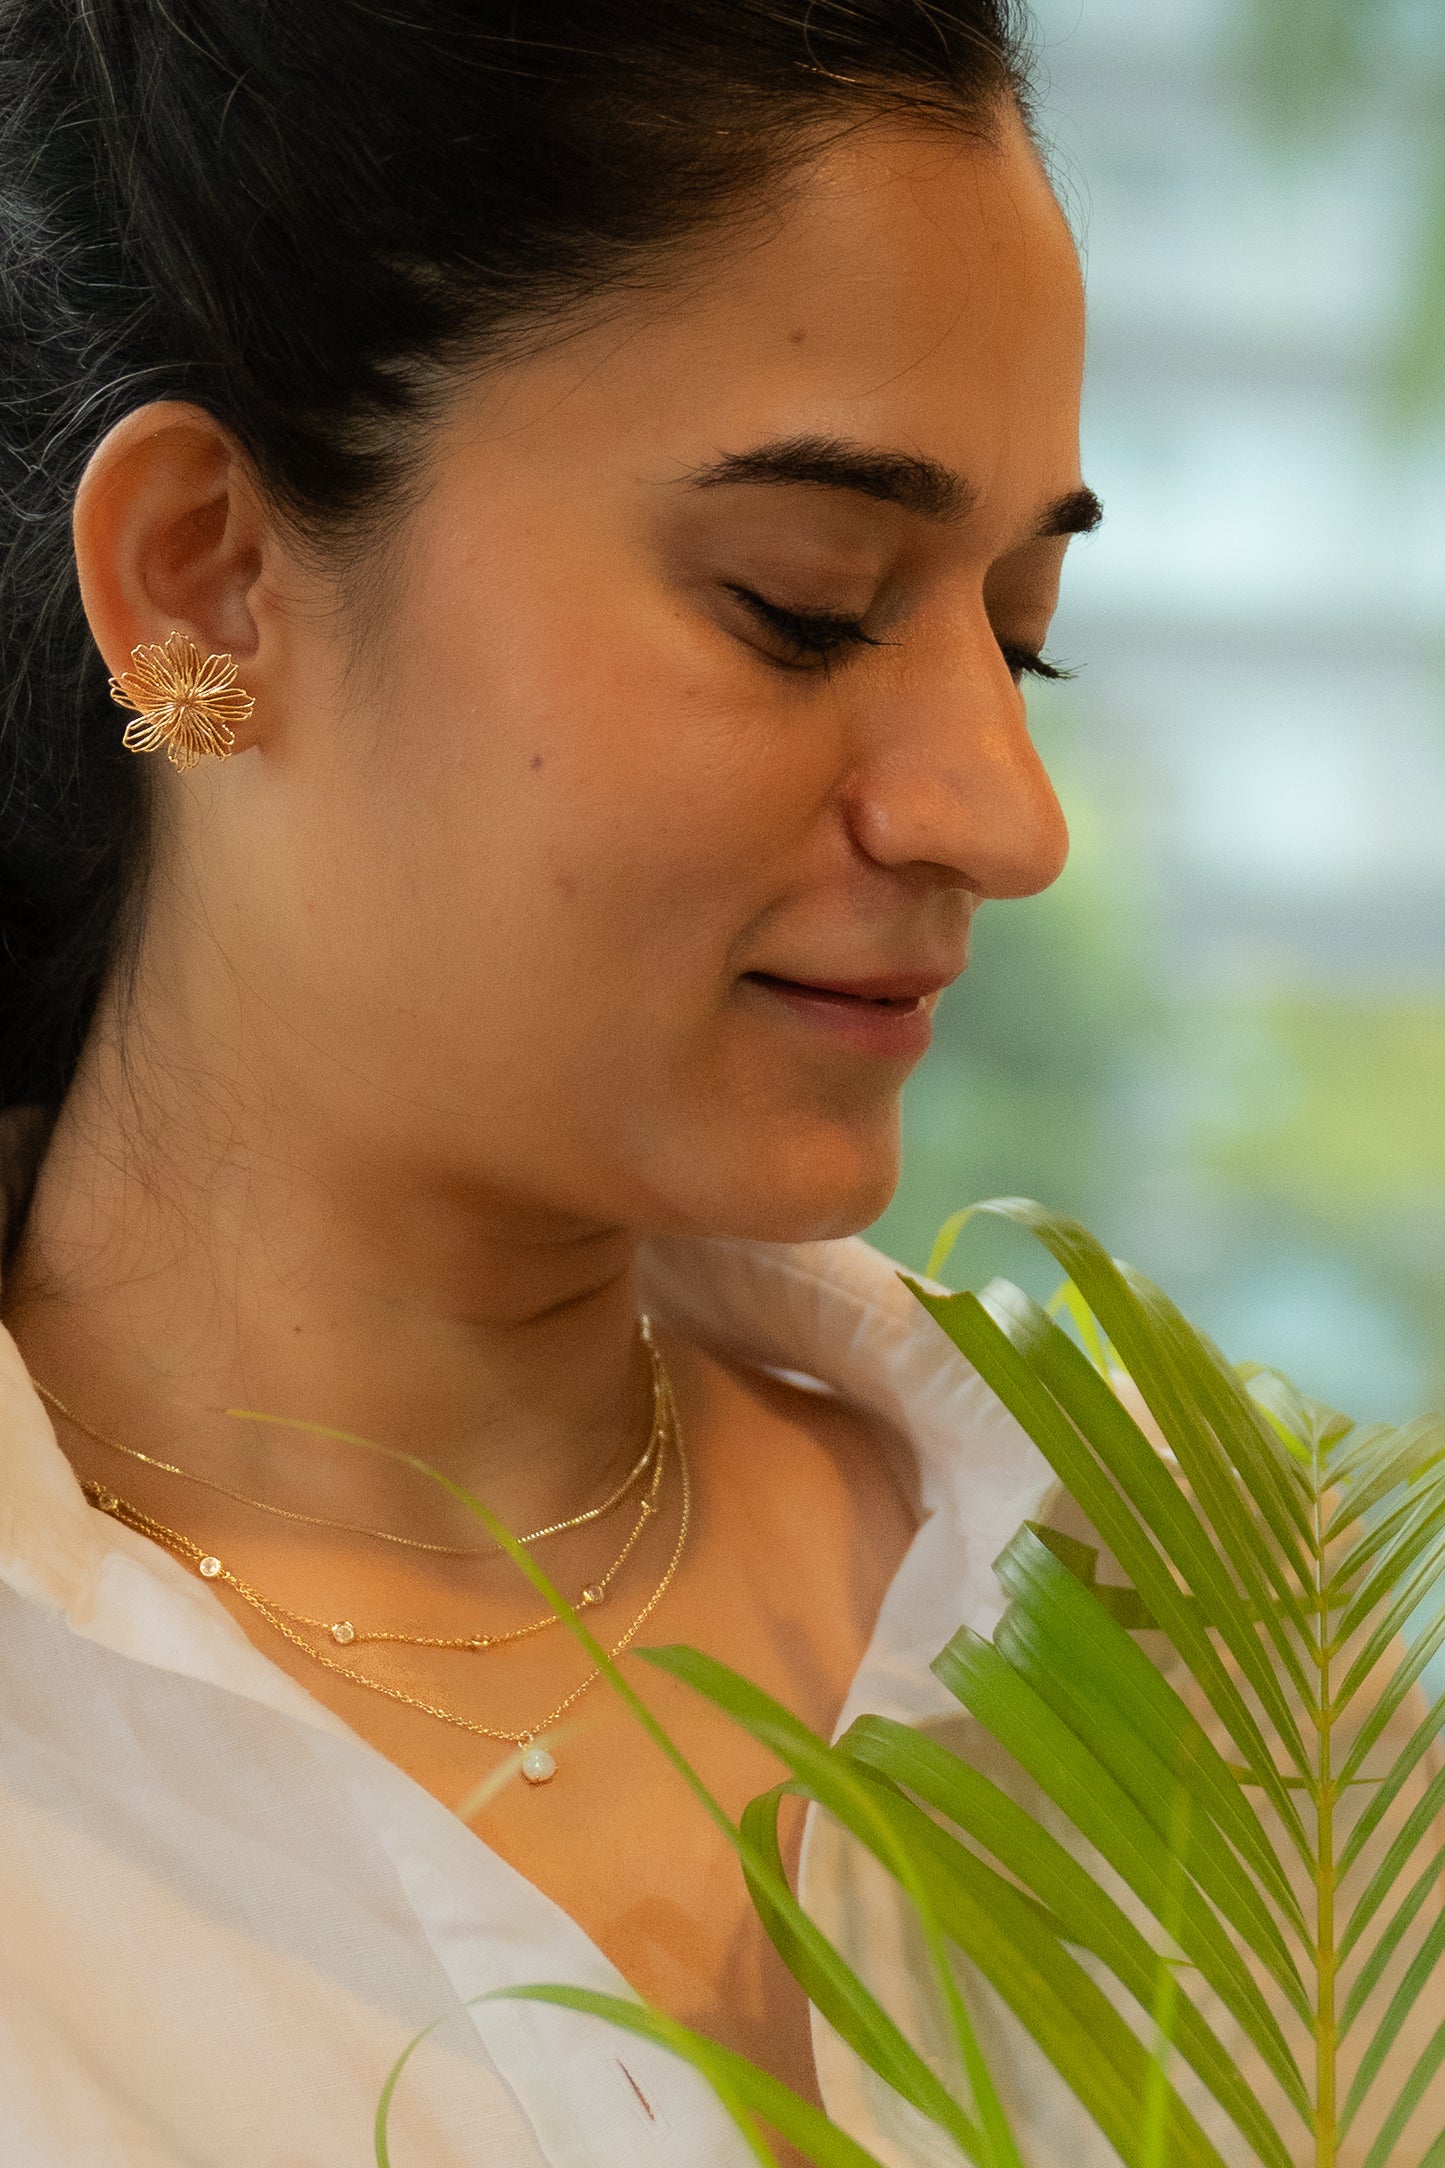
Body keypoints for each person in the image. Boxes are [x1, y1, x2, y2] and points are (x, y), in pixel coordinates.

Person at [0, 3, 1097, 2161]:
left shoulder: (1159, 1618)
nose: (1007, 810)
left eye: (1024, 626)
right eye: (808, 603)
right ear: (200, 574)